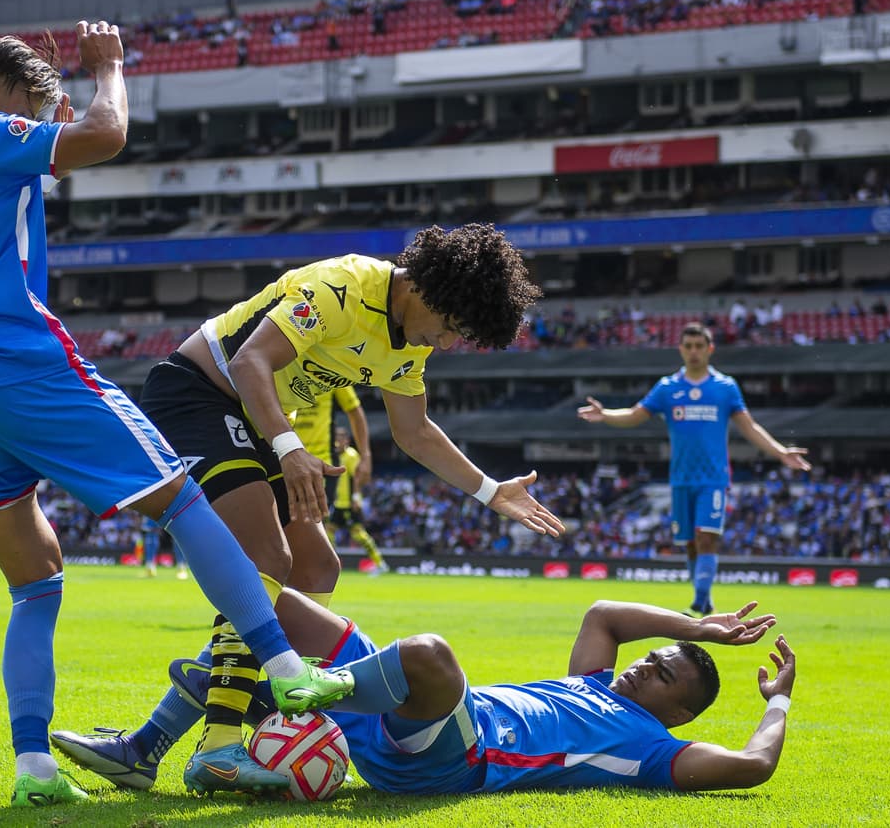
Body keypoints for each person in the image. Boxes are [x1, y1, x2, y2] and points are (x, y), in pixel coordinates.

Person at [0, 23, 353, 806]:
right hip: (23, 365)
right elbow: (106, 132)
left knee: (35, 584)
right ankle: (287, 672)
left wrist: (43, 114)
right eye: (34, 106)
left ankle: (33, 770)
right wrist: (109, 70)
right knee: (181, 496)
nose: (38, 121)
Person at [51, 223, 564, 795]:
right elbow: (249, 363)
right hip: (198, 393)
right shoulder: (344, 285)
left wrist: (491, 491)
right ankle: (218, 748)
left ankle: (152, 740)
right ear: (426, 289)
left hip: (260, 420)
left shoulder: (407, 344)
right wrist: (290, 448)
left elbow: (414, 432)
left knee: (317, 566)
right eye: (448, 328)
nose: (444, 343)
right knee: (267, 554)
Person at [71, 591, 794, 794]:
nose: (643, 668)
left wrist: (777, 701)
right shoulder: (594, 682)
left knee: (432, 654)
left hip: (451, 757)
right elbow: (604, 614)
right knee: (264, 594)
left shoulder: (651, 749)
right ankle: (145, 748)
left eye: (662, 673)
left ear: (680, 710)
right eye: (652, 659)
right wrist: (699, 625)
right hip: (401, 709)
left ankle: (301, 697)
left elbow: (754, 767)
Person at [577, 322, 811, 615]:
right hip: (680, 479)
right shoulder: (667, 387)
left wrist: (780, 452)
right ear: (681, 349)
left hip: (713, 478)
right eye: (688, 346)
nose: (694, 352)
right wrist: (606, 415)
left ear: (709, 349)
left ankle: (701, 599)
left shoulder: (725, 387)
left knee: (706, 538)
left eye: (699, 346)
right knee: (688, 543)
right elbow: (636, 415)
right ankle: (702, 594)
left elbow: (748, 427)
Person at [286, 384, 373, 597]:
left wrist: (366, 455)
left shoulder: (332, 369)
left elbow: (355, 410)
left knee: (310, 531)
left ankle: (301, 601)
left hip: (321, 467)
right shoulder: (283, 365)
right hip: (286, 460)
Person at [329, 425, 386, 573]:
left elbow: (357, 478)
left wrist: (355, 497)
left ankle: (380, 564)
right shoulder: (335, 456)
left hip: (349, 502)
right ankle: (332, 565)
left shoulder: (351, 455)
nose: (337, 442)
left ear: (346, 440)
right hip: (338, 503)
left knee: (358, 534)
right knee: (329, 531)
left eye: (340, 439)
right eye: (336, 438)